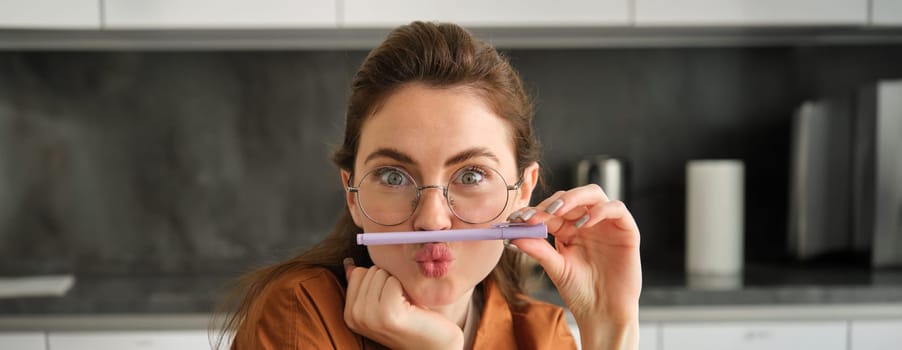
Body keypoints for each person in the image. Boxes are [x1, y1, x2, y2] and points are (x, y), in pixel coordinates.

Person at [219, 21, 641, 350]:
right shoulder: (298, 314)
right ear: (352, 194)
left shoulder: (542, 335)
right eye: (393, 176)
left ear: (523, 189)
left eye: (471, 175)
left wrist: (610, 327)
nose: (433, 221)